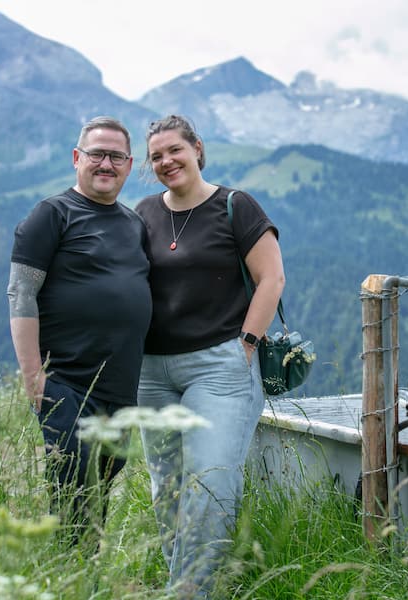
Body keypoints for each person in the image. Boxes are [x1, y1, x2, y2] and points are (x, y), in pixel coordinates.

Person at [135, 115, 285, 597]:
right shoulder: (142, 214)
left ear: (197, 148)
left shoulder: (235, 206)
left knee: (211, 486)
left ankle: (189, 593)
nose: (166, 162)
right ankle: (189, 582)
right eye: (156, 156)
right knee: (168, 490)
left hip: (219, 367)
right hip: (151, 371)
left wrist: (245, 346)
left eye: (174, 150)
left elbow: (272, 279)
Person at [6, 116, 152, 549]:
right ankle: (69, 573)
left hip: (121, 387)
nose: (105, 164)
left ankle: (80, 573)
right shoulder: (52, 214)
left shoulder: (133, 224)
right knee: (74, 482)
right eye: (97, 154)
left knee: (102, 481)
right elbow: (21, 294)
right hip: (66, 381)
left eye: (116, 156)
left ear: (128, 165)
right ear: (77, 159)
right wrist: (34, 378)